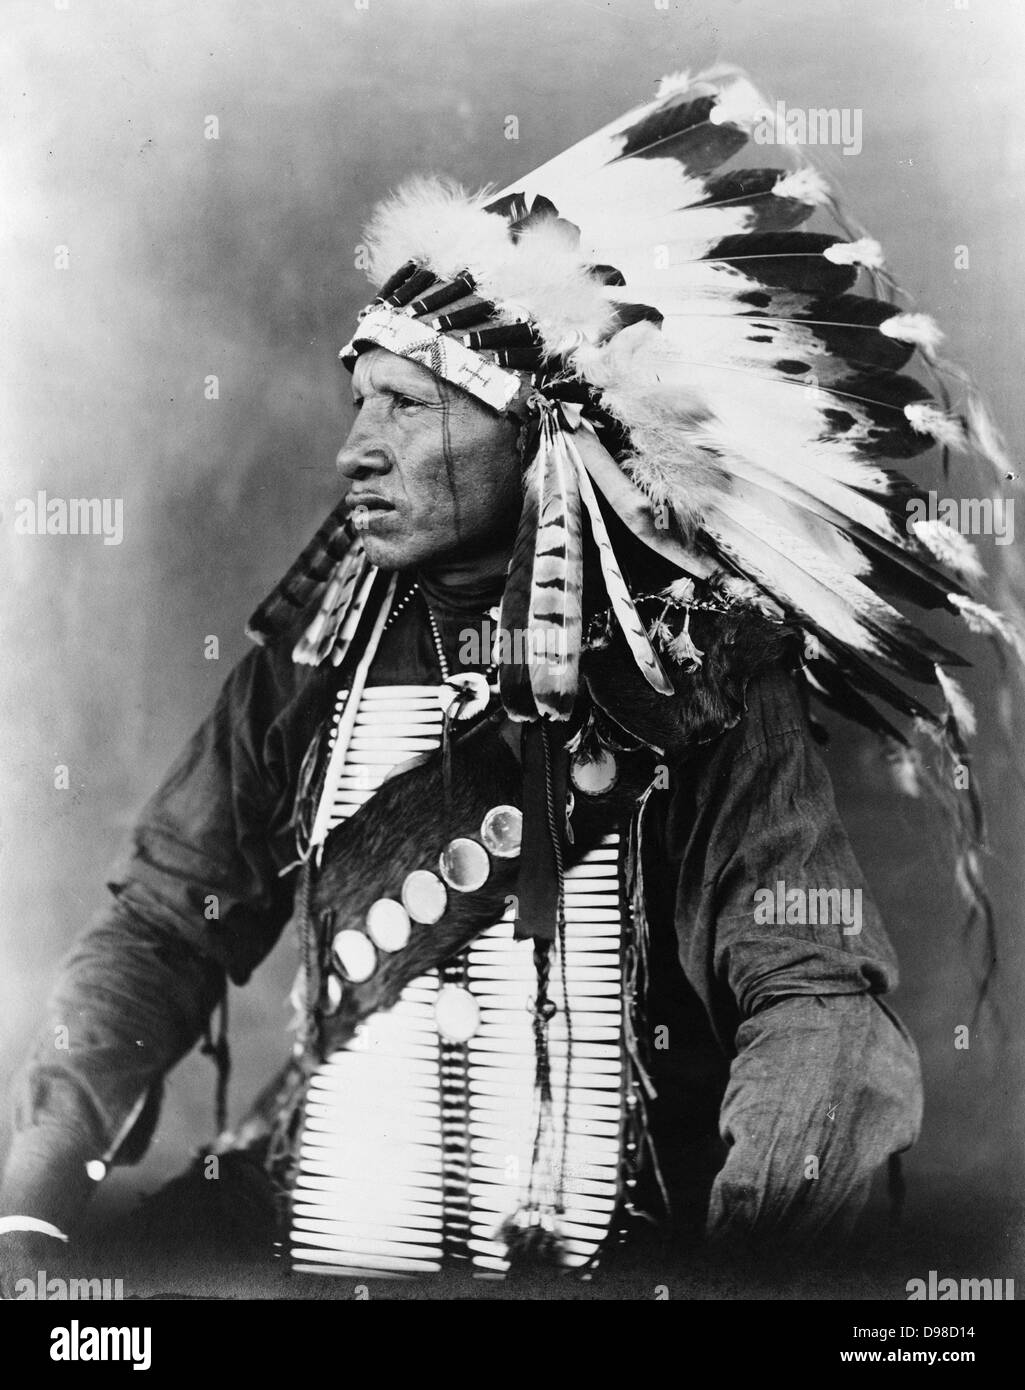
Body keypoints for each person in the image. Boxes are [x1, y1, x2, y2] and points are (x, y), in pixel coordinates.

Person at [1, 66, 1011, 1295]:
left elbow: (809, 995)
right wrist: (34, 1204)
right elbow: (163, 927)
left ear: (535, 432)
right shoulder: (308, 661)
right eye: (356, 398)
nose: (352, 448)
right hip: (319, 1259)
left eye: (408, 407)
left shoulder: (687, 676)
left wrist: (755, 1269)